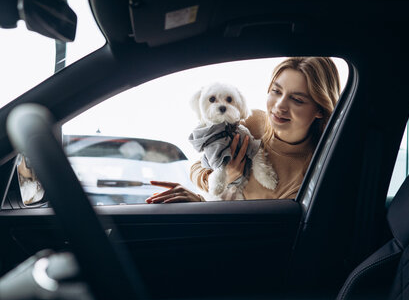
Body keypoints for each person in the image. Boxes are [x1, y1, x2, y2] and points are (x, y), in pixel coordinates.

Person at [146, 57, 341, 203]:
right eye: (276, 91)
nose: (279, 106)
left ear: (319, 110)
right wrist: (212, 187)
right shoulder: (250, 121)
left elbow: (250, 226)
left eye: (297, 99)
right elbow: (198, 167)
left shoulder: (310, 172)